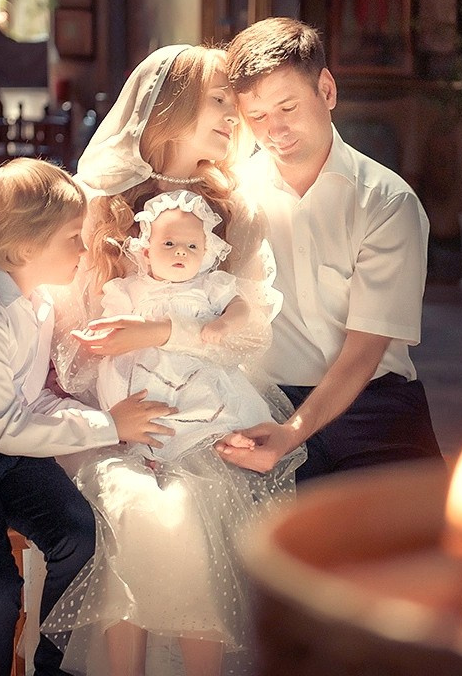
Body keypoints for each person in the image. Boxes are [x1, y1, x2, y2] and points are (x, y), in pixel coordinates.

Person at [28, 45, 300, 676]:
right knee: (141, 510)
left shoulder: (238, 210)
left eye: (236, 105)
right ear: (170, 105)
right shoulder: (99, 205)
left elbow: (248, 333)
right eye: (219, 101)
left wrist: (155, 332)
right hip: (117, 417)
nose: (235, 118)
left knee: (187, 514)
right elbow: (70, 338)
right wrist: (114, 400)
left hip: (208, 416)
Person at [0, 157, 176, 676]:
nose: (84, 249)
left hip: (6, 444)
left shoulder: (39, 301)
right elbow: (6, 428)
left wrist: (113, 432)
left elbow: (31, 403)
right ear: (25, 248)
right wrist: (110, 424)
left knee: (79, 538)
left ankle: (51, 666)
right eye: (73, 237)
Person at [217, 16, 444, 482]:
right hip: (268, 402)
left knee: (418, 542)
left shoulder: (386, 201)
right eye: (256, 117)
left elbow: (365, 349)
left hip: (375, 403)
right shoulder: (232, 199)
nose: (274, 130)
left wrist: (292, 433)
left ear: (326, 91)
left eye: (288, 107)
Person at [89, 188, 276, 463]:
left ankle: (219, 434)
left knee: (204, 392)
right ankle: (146, 448)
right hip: (143, 367)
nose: (181, 252)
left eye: (192, 247)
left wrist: (223, 323)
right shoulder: (131, 289)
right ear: (146, 251)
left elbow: (242, 308)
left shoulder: (209, 285)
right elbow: (112, 324)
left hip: (195, 361)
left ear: (206, 253)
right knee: (141, 399)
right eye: (168, 244)